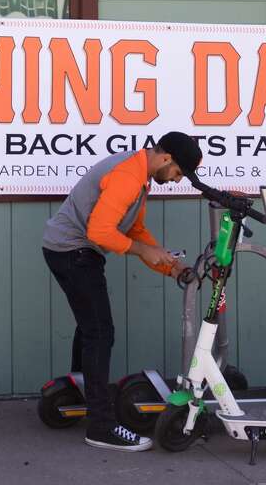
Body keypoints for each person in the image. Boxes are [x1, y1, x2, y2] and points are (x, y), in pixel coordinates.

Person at [41, 131, 201, 451]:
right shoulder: (129, 175)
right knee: (100, 332)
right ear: (167, 158)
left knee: (91, 327)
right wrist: (142, 251)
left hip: (70, 250)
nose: (177, 180)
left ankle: (81, 389)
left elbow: (134, 229)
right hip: (73, 252)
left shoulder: (140, 175)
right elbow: (100, 232)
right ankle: (100, 426)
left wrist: (170, 266)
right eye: (179, 173)